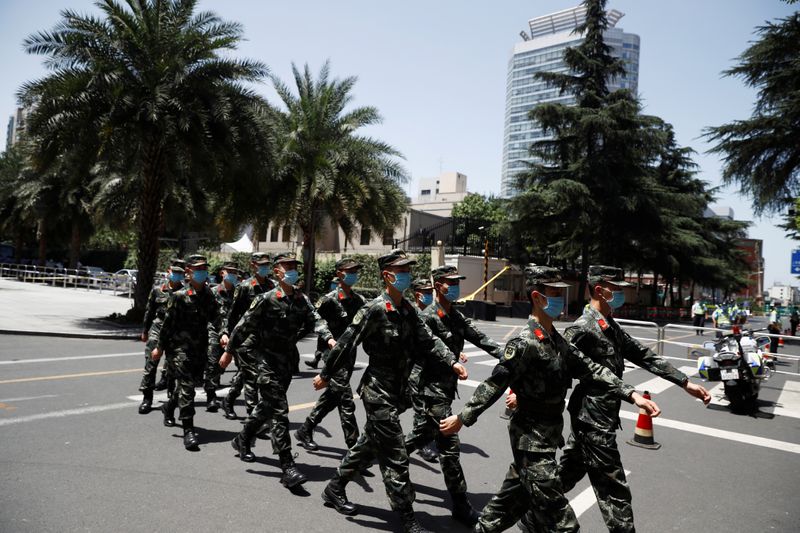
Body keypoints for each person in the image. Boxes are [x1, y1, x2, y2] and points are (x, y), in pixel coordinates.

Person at [439, 265, 660, 533]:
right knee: (564, 525)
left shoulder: (556, 339)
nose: (560, 299)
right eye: (554, 293)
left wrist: (632, 393)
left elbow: (592, 368)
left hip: (548, 437)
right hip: (530, 442)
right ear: (537, 297)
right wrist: (462, 418)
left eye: (561, 292)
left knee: (505, 508)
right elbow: (493, 385)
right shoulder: (524, 343)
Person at [316, 250, 468, 533]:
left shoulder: (408, 309)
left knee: (369, 445)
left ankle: (334, 488)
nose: (407, 275)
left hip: (397, 393)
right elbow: (347, 343)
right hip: (377, 392)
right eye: (402, 271)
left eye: (409, 270)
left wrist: (451, 361)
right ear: (387, 275)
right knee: (396, 454)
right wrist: (326, 375)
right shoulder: (374, 309)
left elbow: (428, 339)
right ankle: (407, 517)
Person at [551, 265, 710, 533]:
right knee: (615, 491)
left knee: (566, 474)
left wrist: (684, 382)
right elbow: (558, 368)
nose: (623, 293)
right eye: (617, 289)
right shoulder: (582, 328)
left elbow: (644, 355)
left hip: (598, 417)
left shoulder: (609, 325)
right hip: (592, 419)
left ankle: (532, 511)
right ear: (600, 290)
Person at [221, 253, 333, 489]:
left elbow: (317, 320)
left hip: (286, 362)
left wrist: (329, 338)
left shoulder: (301, 299)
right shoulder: (266, 299)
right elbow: (243, 325)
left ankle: (242, 438)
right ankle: (287, 465)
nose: (292, 270)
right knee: (280, 410)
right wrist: (229, 351)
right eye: (288, 267)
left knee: (267, 406)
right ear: (277, 272)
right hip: (264, 360)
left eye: (295, 267)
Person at [405, 265, 502, 526]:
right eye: (450, 282)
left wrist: (508, 356)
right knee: (449, 447)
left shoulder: (455, 316)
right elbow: (424, 350)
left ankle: (390, 457)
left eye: (458, 281)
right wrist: (452, 362)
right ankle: (460, 505)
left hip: (445, 389)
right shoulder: (427, 317)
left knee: (422, 435)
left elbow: (480, 337)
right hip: (429, 388)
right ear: (438, 286)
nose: (456, 286)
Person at [152, 255, 224, 451]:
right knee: (188, 388)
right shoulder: (179, 296)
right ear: (189, 273)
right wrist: (159, 347)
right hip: (179, 349)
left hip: (199, 348)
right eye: (198, 269)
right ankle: (189, 430)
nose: (203, 272)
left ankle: (169, 407)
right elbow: (167, 324)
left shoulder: (208, 295)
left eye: (204, 269)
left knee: (187, 386)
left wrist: (223, 333)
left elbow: (217, 315)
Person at [295, 258, 366, 452]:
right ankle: (354, 448)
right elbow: (313, 320)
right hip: (331, 355)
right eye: (349, 271)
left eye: (355, 271)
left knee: (333, 396)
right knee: (345, 400)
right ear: (340, 273)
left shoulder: (359, 301)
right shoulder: (328, 300)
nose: (353, 274)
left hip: (349, 356)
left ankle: (306, 428)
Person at [220, 252, 274, 420]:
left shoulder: (272, 285)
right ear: (253, 266)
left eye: (267, 265)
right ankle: (253, 417)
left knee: (245, 373)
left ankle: (228, 400)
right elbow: (232, 313)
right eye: (261, 265)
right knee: (252, 377)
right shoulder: (244, 287)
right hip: (245, 338)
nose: (265, 268)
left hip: (264, 339)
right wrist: (226, 333)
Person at [137, 259, 184, 414]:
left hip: (175, 333)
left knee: (172, 369)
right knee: (151, 365)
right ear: (168, 271)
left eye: (180, 273)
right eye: (174, 272)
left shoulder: (184, 293)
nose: (176, 275)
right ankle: (147, 398)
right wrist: (145, 330)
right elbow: (149, 311)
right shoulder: (158, 290)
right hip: (157, 330)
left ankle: (171, 400)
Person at [407, 277, 440, 463]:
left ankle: (421, 442)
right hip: (411, 368)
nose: (429, 295)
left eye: (430, 292)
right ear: (417, 294)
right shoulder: (410, 311)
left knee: (423, 406)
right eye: (426, 292)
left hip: (428, 366)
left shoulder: (432, 313)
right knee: (414, 407)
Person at [203, 262, 241, 412]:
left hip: (234, 332)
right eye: (229, 271)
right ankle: (211, 397)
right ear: (222, 273)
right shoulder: (212, 292)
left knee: (243, 366)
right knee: (212, 363)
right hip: (214, 331)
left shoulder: (240, 293)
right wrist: (221, 333)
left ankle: (230, 398)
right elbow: (209, 315)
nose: (232, 274)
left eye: (235, 272)